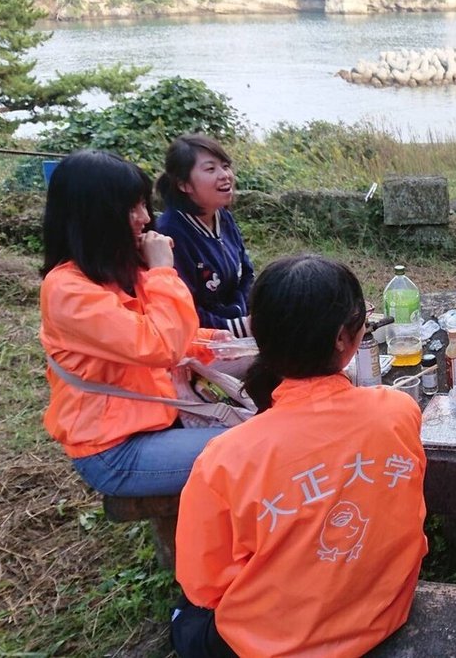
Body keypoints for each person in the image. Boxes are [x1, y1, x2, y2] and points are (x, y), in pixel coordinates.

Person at [172, 255, 428, 658]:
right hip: (383, 613)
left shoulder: (225, 459)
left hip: (276, 644)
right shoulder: (397, 411)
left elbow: (203, 585)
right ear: (345, 339)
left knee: (187, 620)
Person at [39, 150, 229, 497]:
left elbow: (178, 336)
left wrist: (228, 341)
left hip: (153, 418)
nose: (144, 217)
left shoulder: (117, 271)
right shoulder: (68, 291)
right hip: (114, 450)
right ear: (94, 216)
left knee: (261, 426)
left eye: (144, 204)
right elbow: (162, 345)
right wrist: (161, 271)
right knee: (252, 446)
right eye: (131, 208)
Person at [156, 134, 255, 338]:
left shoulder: (222, 216)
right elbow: (182, 310)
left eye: (225, 166)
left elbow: (246, 274)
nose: (225, 175)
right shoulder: (170, 233)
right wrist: (237, 327)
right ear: (184, 185)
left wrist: (243, 315)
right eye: (211, 169)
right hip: (202, 340)